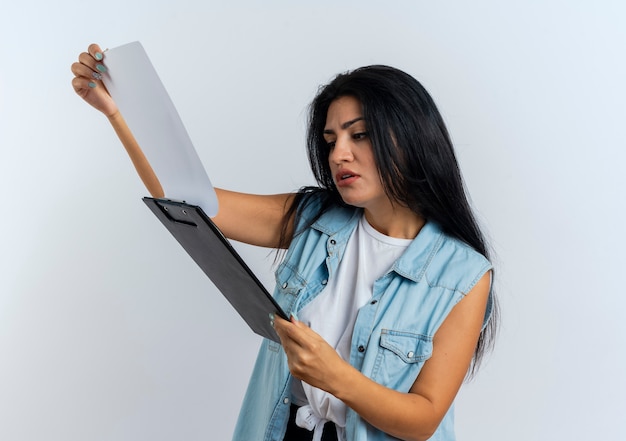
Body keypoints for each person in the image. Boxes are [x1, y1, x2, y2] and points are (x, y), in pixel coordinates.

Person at [71, 43, 498, 441]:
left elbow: (424, 418)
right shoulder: (313, 219)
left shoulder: (463, 275)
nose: (338, 155)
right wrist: (117, 114)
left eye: (359, 135)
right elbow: (190, 201)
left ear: (411, 138)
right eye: (331, 141)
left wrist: (336, 376)